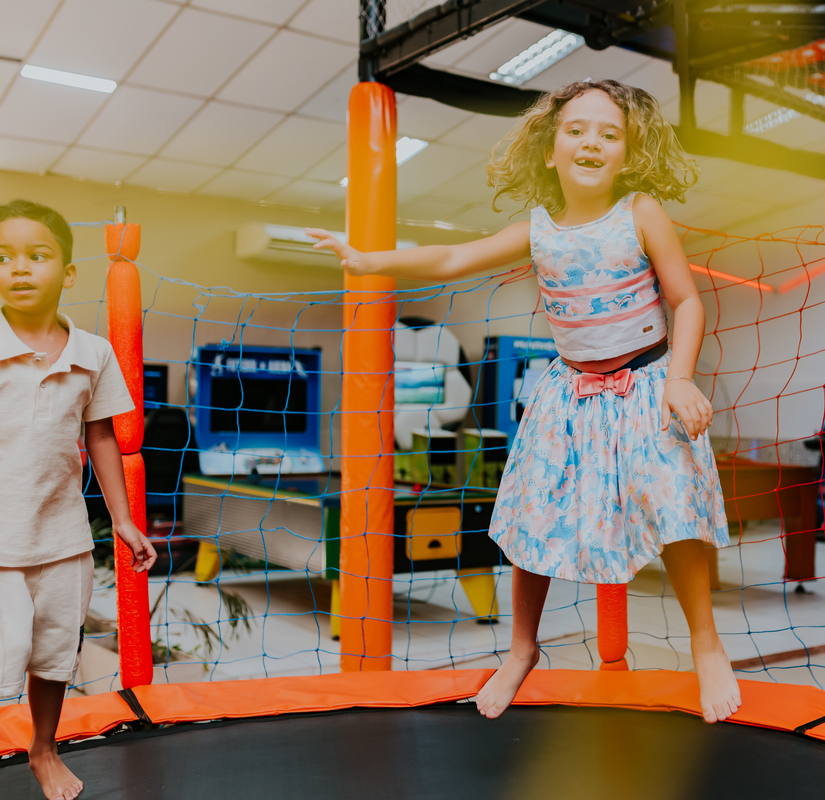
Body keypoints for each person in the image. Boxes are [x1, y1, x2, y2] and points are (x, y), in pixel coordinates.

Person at [308, 79, 740, 724]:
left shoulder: (641, 211)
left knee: (674, 504)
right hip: (569, 393)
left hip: (648, 383)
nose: (592, 141)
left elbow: (686, 300)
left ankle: (706, 645)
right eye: (577, 129)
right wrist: (368, 259)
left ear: (629, 153)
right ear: (550, 149)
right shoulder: (538, 229)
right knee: (531, 519)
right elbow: (455, 254)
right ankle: (521, 649)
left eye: (609, 133)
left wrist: (679, 378)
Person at [0, 200, 157, 800]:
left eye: (38, 256)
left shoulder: (94, 351)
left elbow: (102, 434)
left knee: (56, 653)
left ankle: (44, 750)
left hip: (63, 539)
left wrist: (124, 521)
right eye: (2, 258)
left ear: (69, 272)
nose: (20, 269)